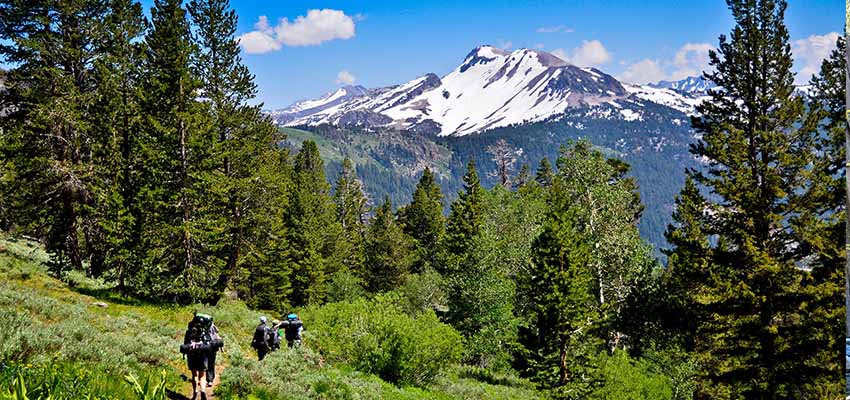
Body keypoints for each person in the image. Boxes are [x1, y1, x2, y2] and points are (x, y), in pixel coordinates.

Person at [182, 313, 211, 399]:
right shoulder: (204, 331)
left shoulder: (189, 331)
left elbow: (185, 344)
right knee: (202, 375)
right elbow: (208, 342)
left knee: (194, 374)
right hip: (202, 355)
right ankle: (203, 390)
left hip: (191, 355)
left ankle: (195, 392)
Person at [206, 317, 223, 387]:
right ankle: (210, 380)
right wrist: (221, 348)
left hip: (206, 348)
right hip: (213, 348)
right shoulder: (214, 327)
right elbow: (217, 337)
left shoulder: (203, 328)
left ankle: (207, 379)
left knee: (206, 363)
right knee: (211, 364)